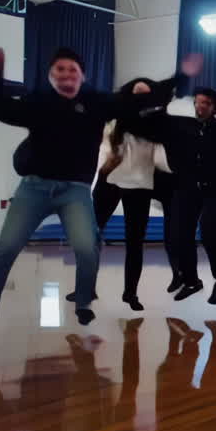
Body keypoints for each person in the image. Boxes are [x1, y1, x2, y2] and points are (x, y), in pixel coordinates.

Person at [0, 47, 178, 338]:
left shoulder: (96, 102)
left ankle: (84, 301)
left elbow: (131, 106)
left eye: (72, 70)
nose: (66, 75)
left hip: (74, 192)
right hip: (34, 188)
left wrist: (153, 89)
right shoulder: (38, 101)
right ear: (51, 76)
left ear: (82, 76)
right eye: (60, 70)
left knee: (88, 247)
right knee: (6, 249)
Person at [129, 76, 216, 305]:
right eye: (197, 102)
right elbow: (154, 121)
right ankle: (192, 281)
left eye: (205, 103)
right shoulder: (181, 125)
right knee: (179, 236)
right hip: (187, 190)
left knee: (208, 234)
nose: (200, 106)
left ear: (214, 107)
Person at [91, 79, 167, 311]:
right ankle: (85, 287)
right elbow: (103, 145)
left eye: (145, 94)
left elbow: (163, 156)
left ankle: (130, 293)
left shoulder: (157, 123)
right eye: (136, 93)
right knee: (91, 236)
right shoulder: (114, 119)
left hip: (140, 185)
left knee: (135, 243)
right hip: (111, 180)